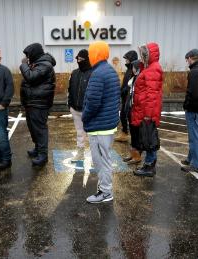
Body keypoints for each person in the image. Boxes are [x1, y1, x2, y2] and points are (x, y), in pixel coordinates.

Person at [82, 41, 120, 203]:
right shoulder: (109, 70)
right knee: (104, 159)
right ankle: (104, 189)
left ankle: (105, 192)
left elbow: (93, 102)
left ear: (96, 54)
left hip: (99, 127)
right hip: (107, 124)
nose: (89, 56)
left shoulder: (98, 73)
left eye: (91, 53)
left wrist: (85, 117)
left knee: (101, 161)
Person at [20, 43, 56, 167]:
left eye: (28, 55)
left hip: (40, 103)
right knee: (33, 128)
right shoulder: (36, 63)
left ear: (34, 53)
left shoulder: (45, 65)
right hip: (31, 102)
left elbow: (31, 77)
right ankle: (37, 149)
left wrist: (24, 65)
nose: (27, 57)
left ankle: (43, 155)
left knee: (40, 129)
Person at [131, 43, 164, 177]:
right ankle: (148, 164)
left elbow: (152, 94)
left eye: (144, 54)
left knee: (149, 138)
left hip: (147, 112)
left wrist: (148, 115)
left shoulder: (153, 69)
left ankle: (149, 166)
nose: (141, 57)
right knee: (147, 138)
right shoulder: (149, 68)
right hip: (143, 110)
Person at [68, 49, 92, 162]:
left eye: (81, 59)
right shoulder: (74, 73)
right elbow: (69, 89)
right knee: (79, 133)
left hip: (88, 110)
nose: (79, 61)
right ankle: (80, 153)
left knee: (92, 135)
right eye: (77, 59)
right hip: (75, 108)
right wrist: (70, 105)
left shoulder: (93, 73)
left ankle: (94, 156)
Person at [115, 50, 139, 143]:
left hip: (129, 99)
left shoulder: (134, 71)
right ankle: (124, 133)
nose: (125, 61)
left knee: (128, 117)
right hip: (125, 98)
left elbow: (131, 85)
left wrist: (124, 90)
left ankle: (132, 138)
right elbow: (125, 83)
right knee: (123, 115)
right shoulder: (129, 70)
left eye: (127, 59)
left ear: (131, 59)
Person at [122, 60, 143, 165]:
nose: (132, 69)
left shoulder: (140, 78)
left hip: (136, 111)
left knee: (136, 134)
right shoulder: (133, 78)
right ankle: (133, 154)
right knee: (133, 134)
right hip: (131, 109)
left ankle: (137, 155)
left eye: (133, 67)